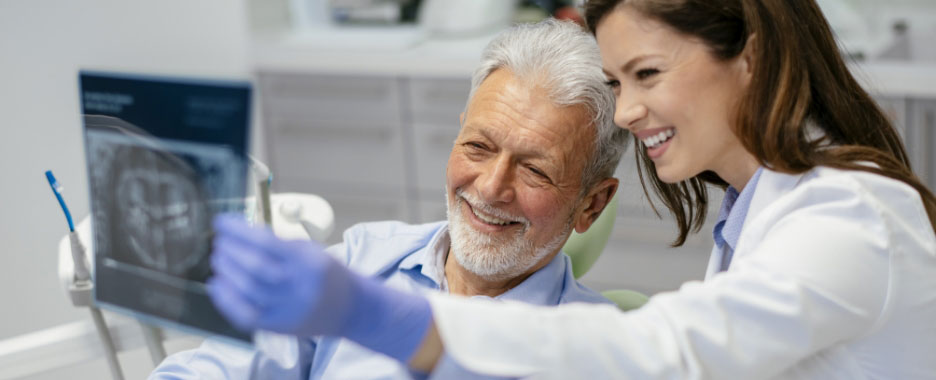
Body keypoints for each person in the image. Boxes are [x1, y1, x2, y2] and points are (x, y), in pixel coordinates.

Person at [207, 1, 936, 378]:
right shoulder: (751, 221)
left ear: (751, 56)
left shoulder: (848, 219)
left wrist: (387, 319)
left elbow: (668, 354)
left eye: (648, 74)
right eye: (620, 83)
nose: (626, 111)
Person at [150, 19, 629, 379]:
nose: (489, 187)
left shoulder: (598, 350)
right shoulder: (368, 258)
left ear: (592, 204)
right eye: (477, 147)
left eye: (534, 171)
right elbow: (219, 366)